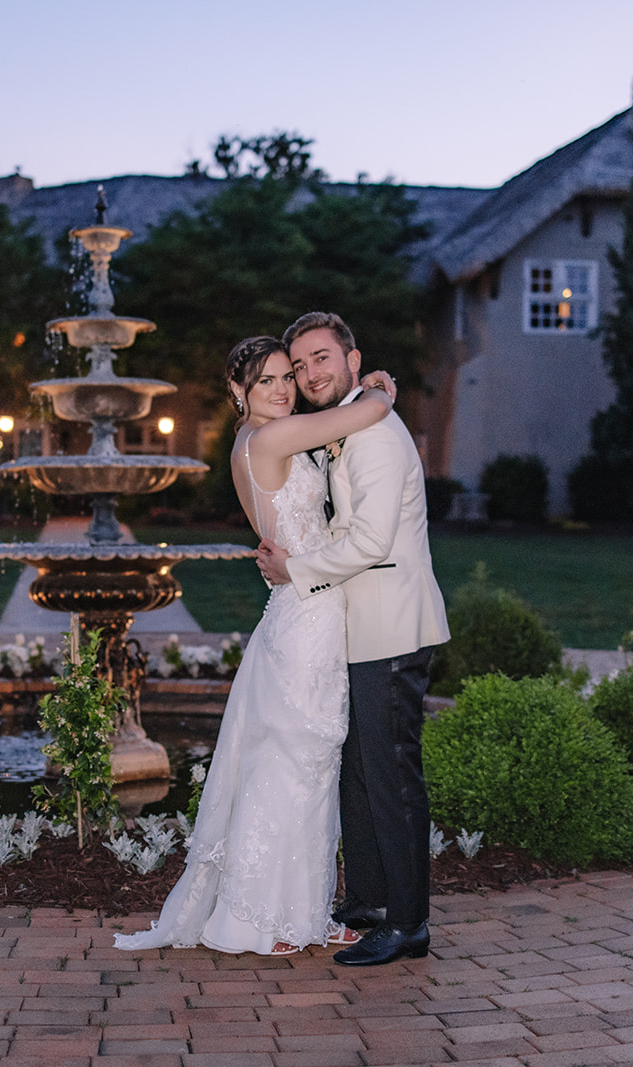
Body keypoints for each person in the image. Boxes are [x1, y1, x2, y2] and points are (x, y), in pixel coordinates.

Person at [113, 335, 397, 956]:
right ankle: (263, 920)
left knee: (299, 763)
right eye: (266, 380)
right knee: (296, 764)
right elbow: (367, 413)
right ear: (238, 392)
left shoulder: (264, 438)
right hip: (309, 613)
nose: (281, 388)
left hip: (299, 607)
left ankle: (296, 911)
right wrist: (377, 388)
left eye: (284, 377)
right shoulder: (268, 439)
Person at [256, 311, 450, 966]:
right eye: (300, 363)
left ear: (351, 358)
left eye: (321, 358)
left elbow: (369, 541)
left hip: (392, 628)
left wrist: (296, 571)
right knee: (361, 774)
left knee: (392, 777)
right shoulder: (352, 423)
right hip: (358, 629)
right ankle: (368, 902)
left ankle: (408, 923)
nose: (310, 372)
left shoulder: (376, 434)